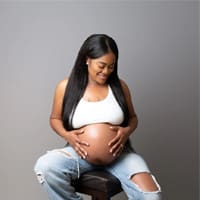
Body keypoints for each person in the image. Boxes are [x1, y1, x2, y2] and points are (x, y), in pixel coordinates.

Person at [34, 34, 162, 200]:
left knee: (152, 196)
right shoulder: (65, 87)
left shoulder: (120, 87)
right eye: (101, 65)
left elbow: (133, 118)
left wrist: (126, 132)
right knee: (45, 166)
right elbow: (55, 119)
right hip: (79, 155)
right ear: (87, 59)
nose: (106, 71)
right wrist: (68, 136)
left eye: (111, 66)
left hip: (120, 155)